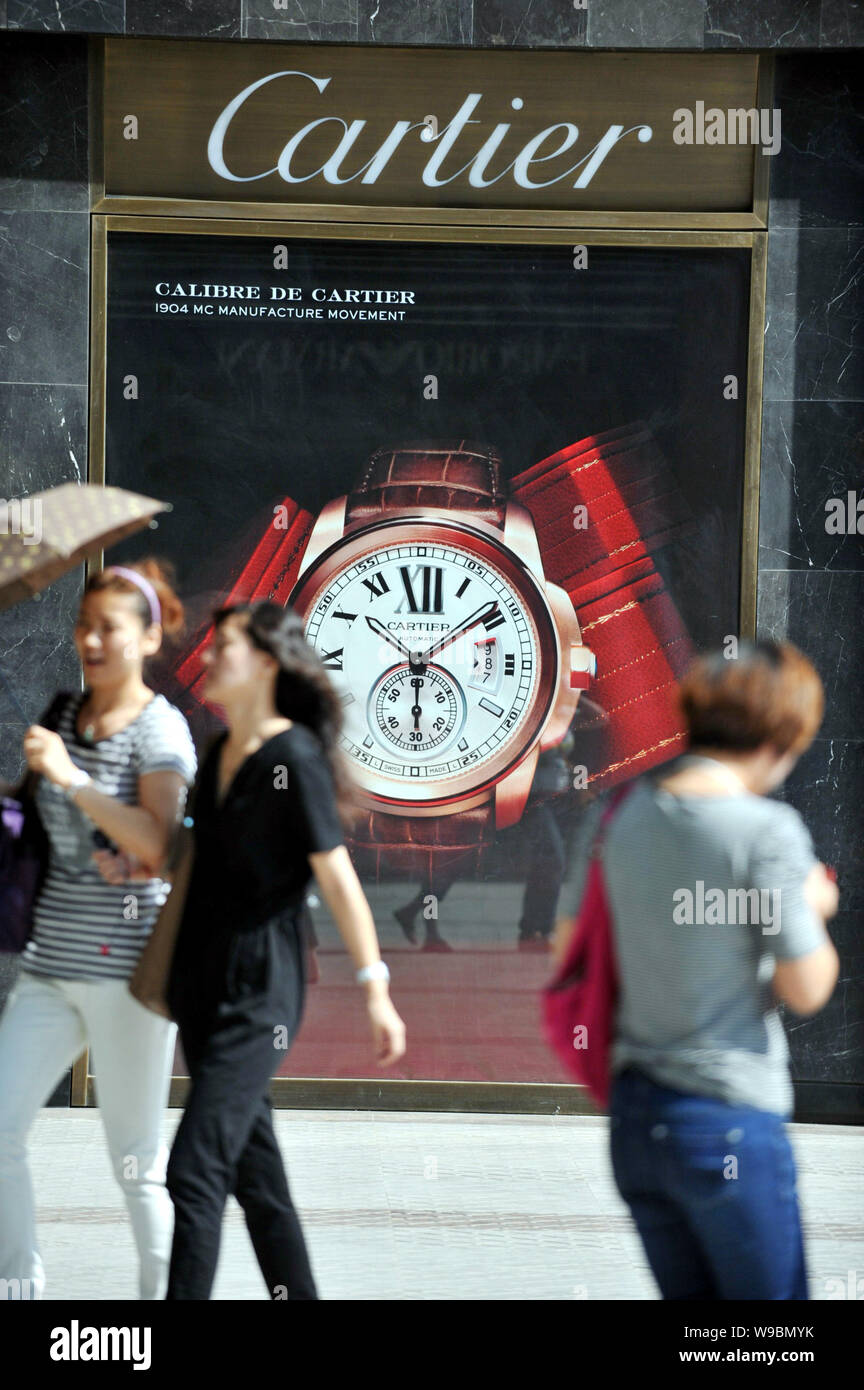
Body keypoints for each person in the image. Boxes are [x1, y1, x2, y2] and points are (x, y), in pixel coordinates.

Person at [130, 601, 406, 1300]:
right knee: (259, 1180)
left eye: (223, 646)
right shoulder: (221, 753)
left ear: (265, 665)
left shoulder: (295, 758)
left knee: (194, 1170)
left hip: (259, 993)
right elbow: (196, 862)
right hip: (200, 983)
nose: (207, 657)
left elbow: (337, 877)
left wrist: (375, 986)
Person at [554, 640, 839, 1300]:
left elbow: (570, 949)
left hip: (635, 1121)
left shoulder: (614, 814)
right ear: (781, 735)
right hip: (730, 1117)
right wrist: (811, 907)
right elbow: (807, 987)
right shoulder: (767, 831)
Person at [0, 560, 197, 1300]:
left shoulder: (160, 731)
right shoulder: (61, 718)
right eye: (83, 625)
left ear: (148, 638)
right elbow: (32, 819)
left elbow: (158, 842)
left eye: (107, 628)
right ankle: (19, 1285)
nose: (89, 640)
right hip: (50, 969)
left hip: (127, 977)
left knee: (136, 1164)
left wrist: (74, 780)